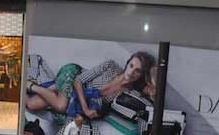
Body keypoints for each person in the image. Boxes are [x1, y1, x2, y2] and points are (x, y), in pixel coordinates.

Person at [26, 51, 156, 120]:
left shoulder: (129, 93)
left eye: (137, 70)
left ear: (142, 75)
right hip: (73, 75)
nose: (131, 72)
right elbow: (78, 81)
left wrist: (153, 81)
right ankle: (31, 85)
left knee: (32, 103)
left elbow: (151, 107)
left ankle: (24, 88)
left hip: (74, 96)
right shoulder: (111, 66)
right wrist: (85, 108)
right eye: (131, 66)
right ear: (127, 63)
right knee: (60, 105)